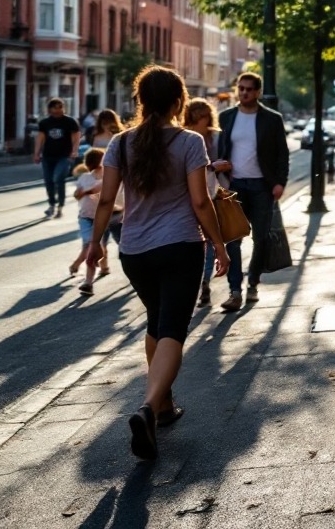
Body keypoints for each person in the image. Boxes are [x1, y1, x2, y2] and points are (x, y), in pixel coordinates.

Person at [85, 65, 229, 461]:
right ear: (179, 101)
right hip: (181, 245)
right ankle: (148, 406)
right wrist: (219, 244)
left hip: (135, 250)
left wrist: (95, 243)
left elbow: (105, 199)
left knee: (156, 321)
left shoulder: (119, 142)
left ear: (140, 101)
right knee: (173, 328)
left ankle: (163, 407)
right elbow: (201, 201)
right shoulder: (189, 142)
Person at [215, 72, 289, 312]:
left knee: (261, 238)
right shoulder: (226, 117)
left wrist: (279, 182)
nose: (244, 92)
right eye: (241, 88)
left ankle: (253, 282)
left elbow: (282, 153)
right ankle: (235, 290)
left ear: (257, 91)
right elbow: (220, 149)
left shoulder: (271, 119)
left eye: (249, 89)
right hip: (235, 186)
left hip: (261, 186)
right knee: (233, 239)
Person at [183, 99, 220, 308]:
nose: (200, 124)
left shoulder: (215, 137)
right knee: (200, 244)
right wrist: (213, 166)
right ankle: (200, 282)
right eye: (195, 120)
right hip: (190, 198)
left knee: (209, 244)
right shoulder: (185, 138)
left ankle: (204, 283)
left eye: (203, 119)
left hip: (213, 196)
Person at [34, 98, 80, 220]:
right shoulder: (45, 123)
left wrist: (75, 150)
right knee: (49, 181)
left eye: (60, 107)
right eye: (55, 107)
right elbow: (40, 138)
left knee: (58, 178)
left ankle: (60, 206)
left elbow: (76, 136)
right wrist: (36, 153)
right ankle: (52, 205)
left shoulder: (69, 122)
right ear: (50, 109)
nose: (58, 110)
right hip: (48, 156)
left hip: (64, 156)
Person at [71, 148, 109, 290]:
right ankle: (88, 281)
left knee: (97, 245)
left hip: (103, 218)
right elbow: (77, 194)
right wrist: (79, 193)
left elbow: (98, 190)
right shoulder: (85, 177)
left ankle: (99, 270)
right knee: (91, 244)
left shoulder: (109, 176)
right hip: (86, 217)